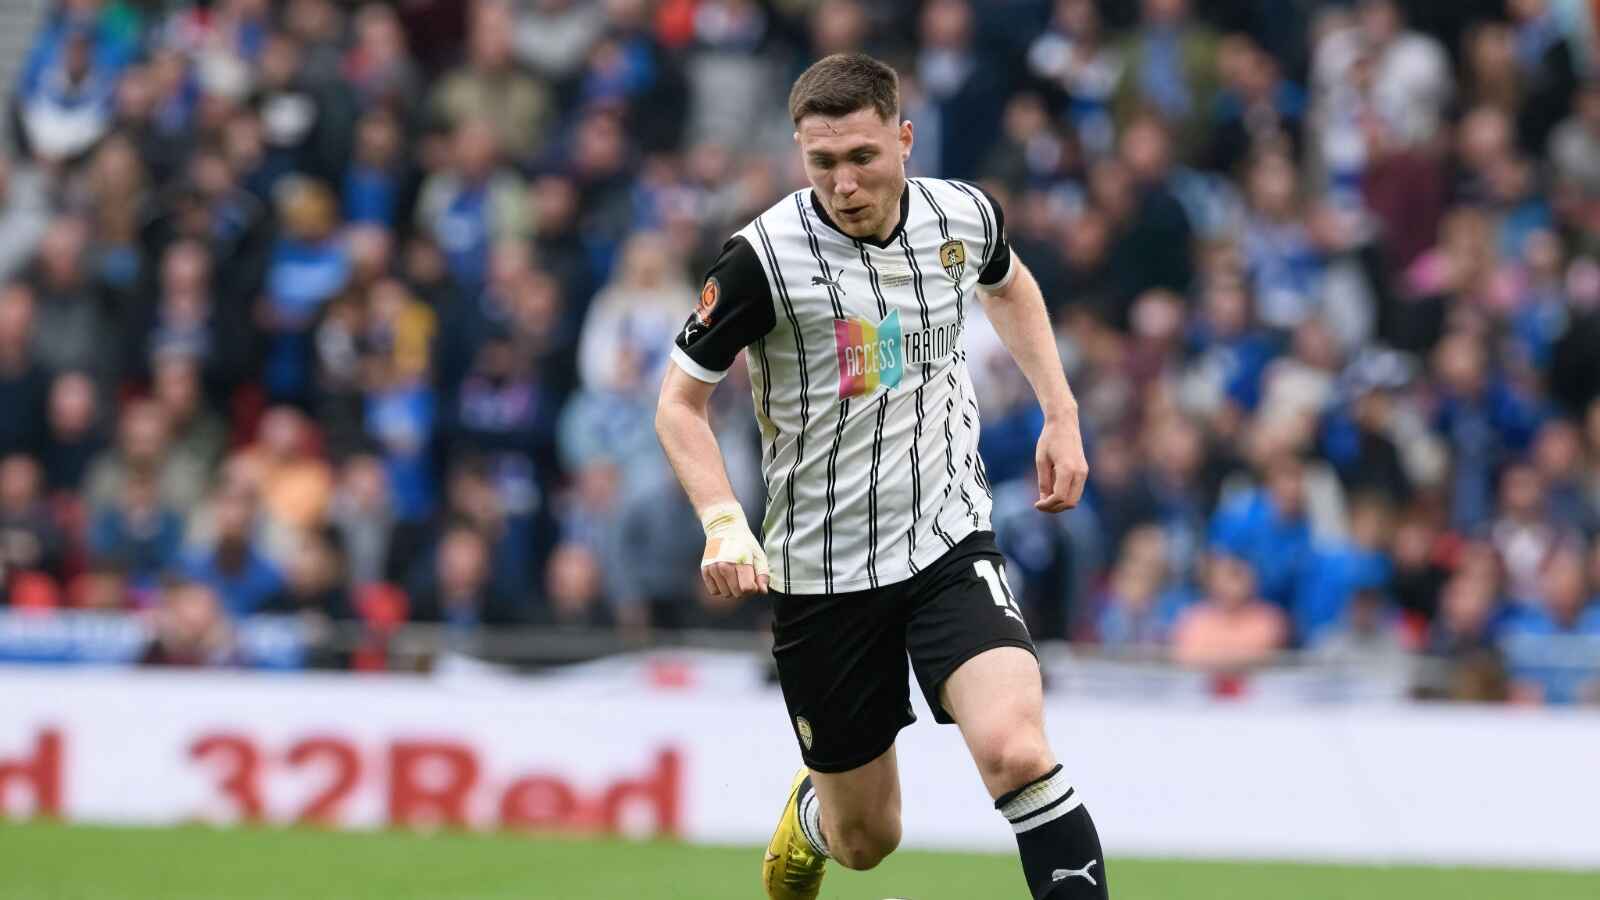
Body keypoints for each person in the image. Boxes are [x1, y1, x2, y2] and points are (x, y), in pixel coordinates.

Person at [655, 54, 1106, 900]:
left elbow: (1009, 286)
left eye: (862, 157)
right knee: (868, 838)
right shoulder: (761, 261)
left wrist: (1061, 411)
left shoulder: (962, 215)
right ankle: (817, 819)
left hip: (946, 535)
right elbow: (679, 404)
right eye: (821, 162)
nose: (843, 182)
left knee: (1015, 749)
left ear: (903, 139)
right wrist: (722, 519)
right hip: (823, 568)